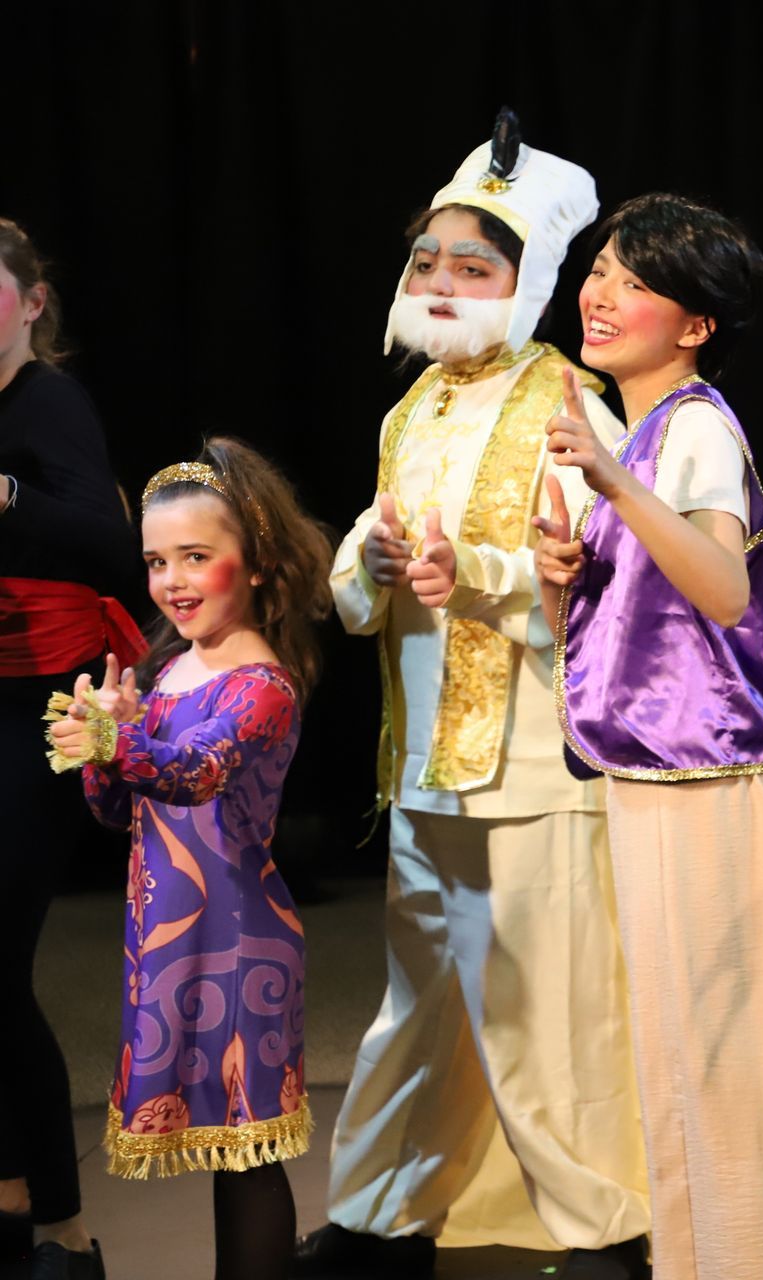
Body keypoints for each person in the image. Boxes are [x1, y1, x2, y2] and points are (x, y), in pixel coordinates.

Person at [297, 112, 650, 1280]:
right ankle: (379, 1217)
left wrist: (482, 573)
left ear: (525, 284)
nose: (443, 284)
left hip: (536, 761)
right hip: (425, 765)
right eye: (428, 262)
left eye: (473, 266)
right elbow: (357, 576)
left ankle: (608, 1229)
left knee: (550, 1006)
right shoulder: (411, 411)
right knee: (420, 1002)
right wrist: (374, 563)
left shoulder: (573, 406)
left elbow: (608, 579)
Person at [540, 192, 763, 1280]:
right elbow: (632, 627)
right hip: (662, 778)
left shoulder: (693, 425)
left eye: (634, 280)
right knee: (679, 1062)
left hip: (714, 779)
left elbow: (720, 586)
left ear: (696, 324)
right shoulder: (645, 433)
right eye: (600, 271)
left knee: (726, 1070)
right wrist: (566, 574)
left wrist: (611, 483)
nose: (601, 294)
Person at [48, 439, 333, 1280]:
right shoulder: (169, 669)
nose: (172, 580)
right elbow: (119, 812)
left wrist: (118, 740)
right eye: (156, 561)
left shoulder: (261, 686)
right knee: (217, 1145)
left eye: (196, 557)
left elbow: (195, 772)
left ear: (258, 563)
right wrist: (107, 741)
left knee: (246, 1150)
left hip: (237, 943)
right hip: (168, 939)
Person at [0, 215, 144, 1280]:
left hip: (38, 709)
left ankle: (63, 1227)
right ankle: (15, 1196)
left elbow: (112, 544)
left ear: (32, 302)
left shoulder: (48, 403)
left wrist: (7, 497)